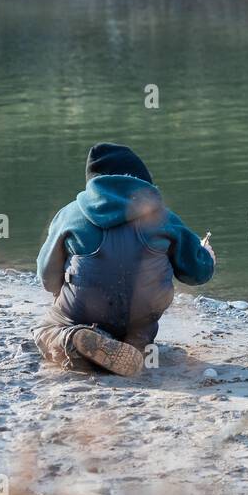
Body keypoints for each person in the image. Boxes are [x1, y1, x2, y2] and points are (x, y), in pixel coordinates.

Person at [33, 143, 215, 375]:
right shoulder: (164, 218)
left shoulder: (70, 215)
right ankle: (134, 345)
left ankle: (74, 337)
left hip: (83, 312)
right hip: (141, 320)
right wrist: (207, 256)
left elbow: (47, 279)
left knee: (45, 329)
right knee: (140, 328)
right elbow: (197, 273)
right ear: (143, 181)